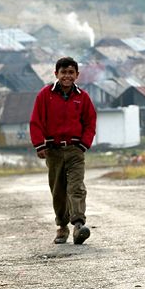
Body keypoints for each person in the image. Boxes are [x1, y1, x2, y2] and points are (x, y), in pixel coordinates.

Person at [29, 57, 96, 245]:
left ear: (77, 75)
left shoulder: (82, 97)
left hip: (75, 150)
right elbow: (36, 121)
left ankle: (78, 225)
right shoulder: (45, 95)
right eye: (63, 72)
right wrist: (39, 145)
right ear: (56, 74)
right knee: (58, 190)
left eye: (71, 72)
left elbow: (90, 122)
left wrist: (84, 144)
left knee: (76, 187)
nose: (67, 76)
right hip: (53, 151)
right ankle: (62, 227)